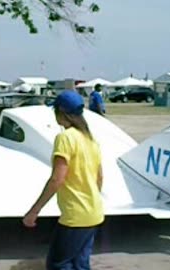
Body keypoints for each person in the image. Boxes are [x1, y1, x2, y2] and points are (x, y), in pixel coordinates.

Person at [23, 90, 104, 270]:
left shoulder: (65, 138)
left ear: (61, 112)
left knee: (58, 264)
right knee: (80, 264)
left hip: (76, 216)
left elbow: (57, 179)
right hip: (94, 212)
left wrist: (34, 211)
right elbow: (99, 178)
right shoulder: (91, 140)